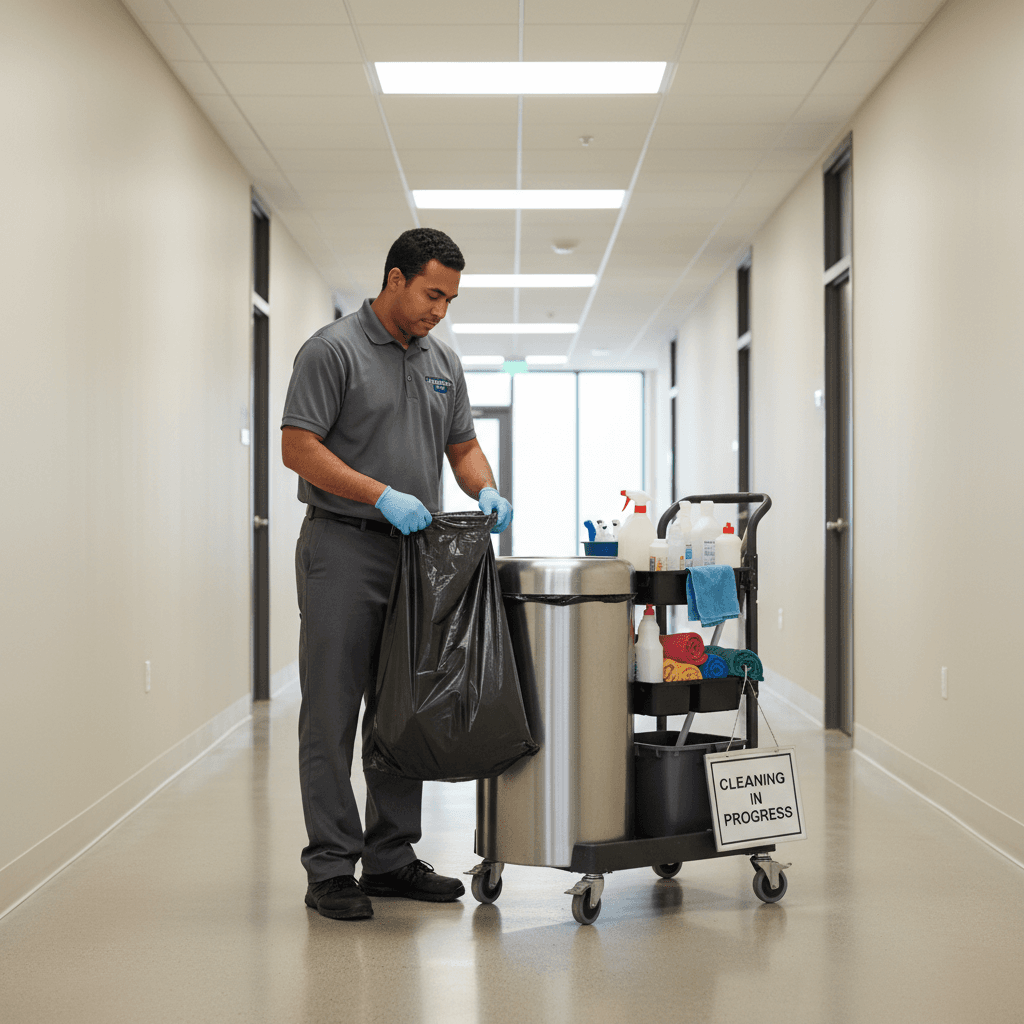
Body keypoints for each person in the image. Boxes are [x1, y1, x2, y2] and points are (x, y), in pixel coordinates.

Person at [281, 228, 512, 922]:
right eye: (432, 293)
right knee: (332, 713)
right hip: (344, 549)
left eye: (451, 298)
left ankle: (389, 858)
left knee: (400, 709)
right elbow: (298, 445)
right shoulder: (333, 350)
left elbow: (462, 443)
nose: (441, 309)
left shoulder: (442, 360)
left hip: (419, 558)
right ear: (394, 278)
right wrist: (377, 493)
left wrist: (485, 488)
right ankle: (330, 868)